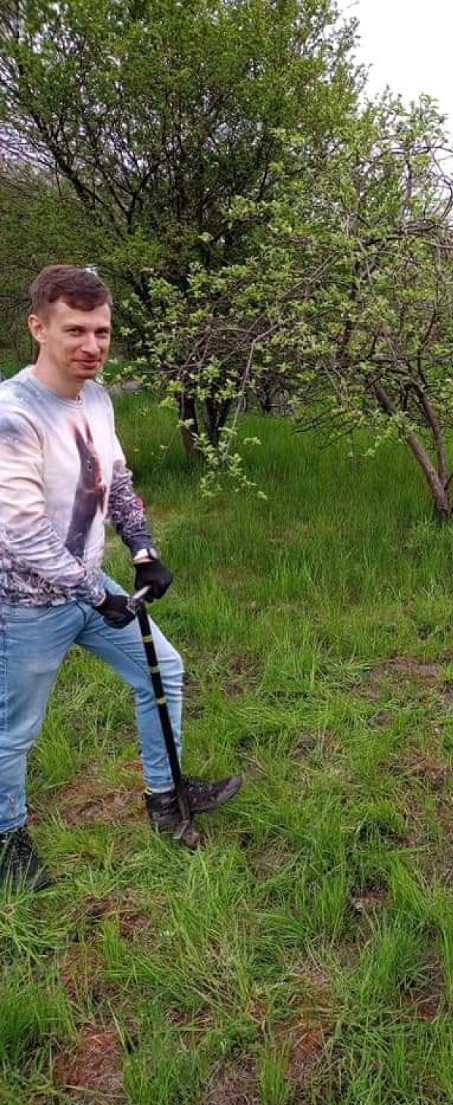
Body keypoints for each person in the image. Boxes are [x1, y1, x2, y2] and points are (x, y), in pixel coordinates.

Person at [0, 265, 242, 890]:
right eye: (75, 330)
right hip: (24, 606)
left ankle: (166, 799)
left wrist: (141, 550)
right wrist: (92, 593)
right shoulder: (13, 414)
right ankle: (7, 840)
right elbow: (21, 532)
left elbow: (119, 483)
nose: (91, 346)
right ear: (38, 327)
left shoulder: (98, 396)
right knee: (14, 730)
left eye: (102, 332)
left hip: (90, 586)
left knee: (163, 668)